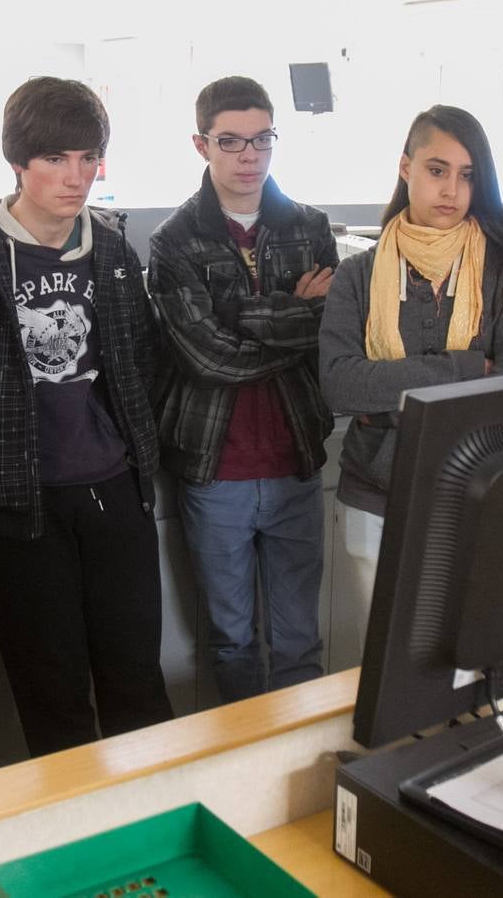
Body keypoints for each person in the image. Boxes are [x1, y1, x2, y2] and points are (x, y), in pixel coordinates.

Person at [0, 77, 174, 757]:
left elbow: (139, 360)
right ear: (18, 163)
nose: (76, 176)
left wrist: (130, 450)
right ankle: (75, 848)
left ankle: (153, 834)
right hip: (19, 506)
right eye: (56, 159)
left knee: (137, 684)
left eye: (88, 158)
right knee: (52, 697)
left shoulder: (114, 252)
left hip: (114, 491)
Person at [319, 106, 503, 636]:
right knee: (391, 661)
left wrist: (391, 396)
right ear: (406, 168)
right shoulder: (359, 274)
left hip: (479, 495)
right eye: (437, 170)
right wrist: (466, 368)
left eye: (468, 176)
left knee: (469, 666)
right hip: (377, 493)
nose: (451, 190)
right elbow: (340, 382)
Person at [148, 76, 336, 703]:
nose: (249, 156)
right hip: (215, 471)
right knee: (230, 642)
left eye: (262, 140)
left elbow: (328, 338)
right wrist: (293, 314)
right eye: (231, 141)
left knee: (298, 641)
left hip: (296, 463)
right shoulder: (173, 242)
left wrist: (242, 316)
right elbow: (207, 359)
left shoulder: (310, 227)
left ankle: (301, 771)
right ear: (202, 145)